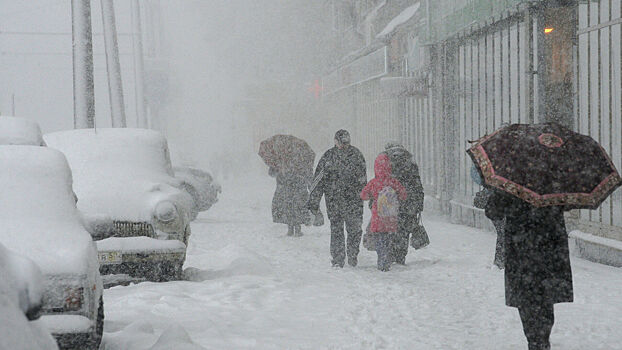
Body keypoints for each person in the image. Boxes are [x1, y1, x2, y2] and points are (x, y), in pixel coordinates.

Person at [484, 190, 573, 350]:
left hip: (522, 250)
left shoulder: (511, 182)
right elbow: (567, 203)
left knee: (527, 299)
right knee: (545, 297)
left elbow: (492, 211)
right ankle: (541, 340)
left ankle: (535, 340)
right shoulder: (554, 179)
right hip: (550, 248)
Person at [308, 129, 366, 268]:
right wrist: (314, 202)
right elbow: (318, 180)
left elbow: (363, 179)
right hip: (337, 201)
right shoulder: (329, 157)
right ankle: (338, 259)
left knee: (354, 230)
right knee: (337, 230)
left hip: (351, 200)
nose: (344, 145)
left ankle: (352, 255)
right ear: (336, 141)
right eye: (342, 142)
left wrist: (364, 193)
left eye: (347, 142)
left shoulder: (355, 155)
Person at [360, 153, 407, 271]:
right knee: (389, 239)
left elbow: (363, 195)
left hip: (378, 217)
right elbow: (403, 195)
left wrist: (372, 196)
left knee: (380, 239)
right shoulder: (393, 182)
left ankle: (382, 259)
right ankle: (387, 258)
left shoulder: (374, 182)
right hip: (391, 218)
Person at [383, 142, 424, 265]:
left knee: (390, 228)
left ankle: (390, 254)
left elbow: (381, 182)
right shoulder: (410, 163)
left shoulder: (386, 162)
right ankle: (401, 255)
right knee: (404, 230)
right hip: (408, 202)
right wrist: (419, 204)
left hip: (390, 201)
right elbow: (417, 185)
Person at [472, 164, 505, 269]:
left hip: (501, 201)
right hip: (497, 201)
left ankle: (501, 260)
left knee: (503, 232)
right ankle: (501, 260)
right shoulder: (490, 158)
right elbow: (475, 174)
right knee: (503, 231)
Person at [269, 165, 312, 237]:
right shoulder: (302, 158)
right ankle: (296, 228)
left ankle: (291, 228)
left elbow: (272, 173)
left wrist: (279, 170)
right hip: (298, 185)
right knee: (297, 206)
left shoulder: (280, 158)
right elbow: (308, 173)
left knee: (289, 206)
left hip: (285, 185)